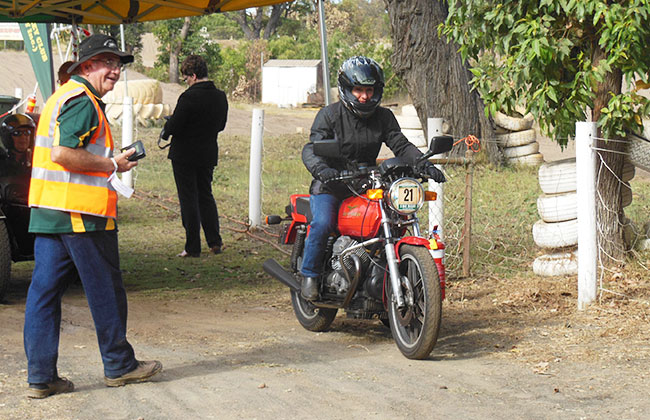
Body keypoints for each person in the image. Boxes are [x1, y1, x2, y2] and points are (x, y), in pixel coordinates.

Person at [24, 34, 162, 399]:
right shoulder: (82, 101)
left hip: (50, 211)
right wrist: (111, 164)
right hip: (81, 214)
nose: (115, 71)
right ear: (86, 66)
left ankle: (40, 377)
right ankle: (119, 365)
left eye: (118, 65)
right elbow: (64, 154)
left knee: (43, 295)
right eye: (107, 63)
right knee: (106, 291)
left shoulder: (60, 97)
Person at [300, 56, 446, 300]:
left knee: (389, 222)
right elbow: (312, 149)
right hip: (332, 185)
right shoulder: (329, 115)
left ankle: (380, 279)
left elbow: (400, 144)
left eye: (369, 90)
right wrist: (324, 171)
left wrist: (424, 165)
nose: (364, 97)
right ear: (347, 89)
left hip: (365, 183)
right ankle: (310, 275)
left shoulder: (384, 117)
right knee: (324, 223)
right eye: (358, 90)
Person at [161, 54, 228, 258]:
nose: (186, 82)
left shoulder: (188, 97)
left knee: (188, 199)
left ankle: (192, 246)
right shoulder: (220, 96)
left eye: (186, 78)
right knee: (205, 196)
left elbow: (174, 126)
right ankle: (215, 242)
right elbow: (221, 125)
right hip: (207, 152)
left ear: (194, 75)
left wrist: (167, 126)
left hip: (184, 154)